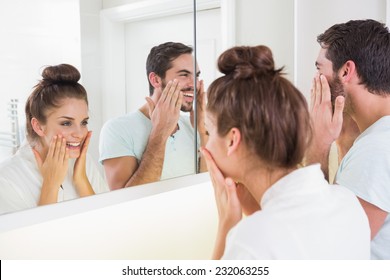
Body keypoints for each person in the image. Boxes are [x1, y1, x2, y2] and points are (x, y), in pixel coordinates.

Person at [201, 45, 370, 259]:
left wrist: (227, 225)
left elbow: (272, 239)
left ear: (233, 140)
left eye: (208, 131)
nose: (205, 147)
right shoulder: (347, 203)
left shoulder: (251, 240)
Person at [306, 19, 390, 259]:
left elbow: (330, 249)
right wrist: (345, 142)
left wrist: (318, 145)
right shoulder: (375, 140)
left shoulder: (376, 148)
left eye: (320, 69)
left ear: (345, 71)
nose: (316, 80)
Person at [0, 64, 109, 215]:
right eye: (66, 123)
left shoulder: (84, 163)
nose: (79, 133)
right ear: (38, 126)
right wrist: (50, 185)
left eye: (83, 122)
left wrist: (81, 181)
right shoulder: (6, 178)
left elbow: (106, 223)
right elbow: (34, 238)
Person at [99, 42, 207, 190]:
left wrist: (203, 131)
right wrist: (160, 132)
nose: (194, 84)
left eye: (196, 75)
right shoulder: (117, 129)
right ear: (155, 80)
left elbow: (207, 186)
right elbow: (125, 202)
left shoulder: (192, 125)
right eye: (184, 75)